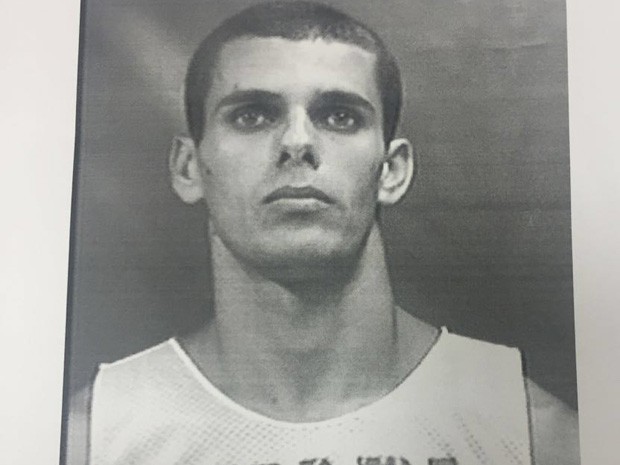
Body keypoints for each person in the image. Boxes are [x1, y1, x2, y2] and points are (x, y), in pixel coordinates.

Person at [65, 2, 580, 464]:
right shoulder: (90, 441)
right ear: (189, 168)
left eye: (339, 116)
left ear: (392, 171)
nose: (297, 141)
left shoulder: (534, 437)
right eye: (252, 115)